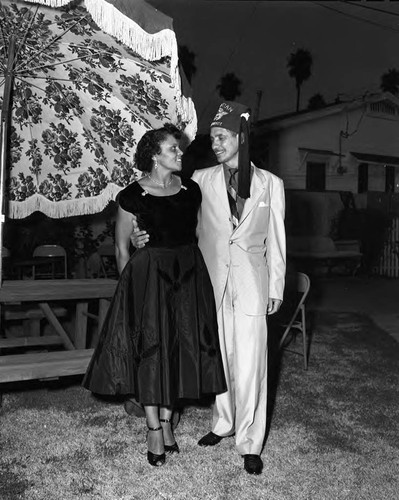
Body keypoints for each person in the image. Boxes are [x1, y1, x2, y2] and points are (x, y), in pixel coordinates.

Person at [131, 102, 286, 475]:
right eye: (213, 137)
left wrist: (276, 286)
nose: (214, 144)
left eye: (222, 137)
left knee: (251, 365)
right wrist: (142, 236)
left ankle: (250, 442)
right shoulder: (199, 178)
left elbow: (277, 240)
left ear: (241, 138)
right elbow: (168, 209)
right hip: (207, 282)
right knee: (218, 357)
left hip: (252, 283)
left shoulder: (270, 184)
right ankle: (223, 423)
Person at [82, 123, 226, 467]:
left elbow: (199, 232)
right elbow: (120, 247)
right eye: (173, 149)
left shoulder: (190, 189)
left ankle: (167, 420)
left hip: (188, 273)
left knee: (180, 346)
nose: (180, 153)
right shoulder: (132, 195)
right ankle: (153, 428)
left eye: (179, 148)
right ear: (153, 156)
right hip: (149, 277)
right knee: (152, 348)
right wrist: (131, 289)